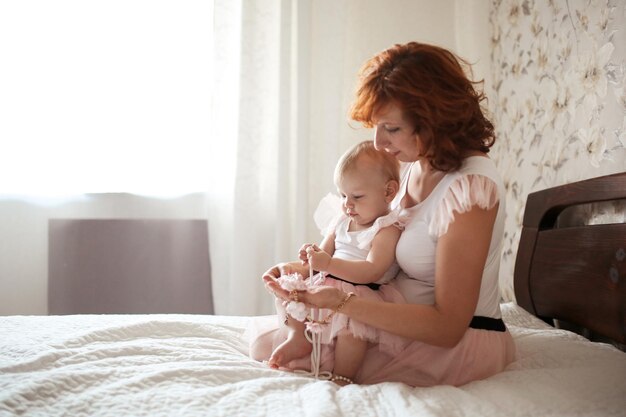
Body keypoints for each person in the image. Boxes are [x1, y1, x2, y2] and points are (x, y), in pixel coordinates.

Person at [250, 41, 516, 387]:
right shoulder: (417, 166)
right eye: (377, 127)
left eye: (391, 128)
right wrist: (305, 269)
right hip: (394, 324)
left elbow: (449, 327)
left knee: (304, 357)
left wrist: (343, 303)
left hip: (451, 346)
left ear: (435, 120)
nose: (378, 142)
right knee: (271, 342)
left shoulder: (471, 188)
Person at [268, 140, 407, 385]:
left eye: (356, 196)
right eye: (343, 195)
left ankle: (344, 375)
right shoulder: (341, 221)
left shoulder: (386, 229)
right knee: (289, 291)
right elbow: (321, 256)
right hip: (325, 283)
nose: (347, 204)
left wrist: (328, 264)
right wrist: (301, 262)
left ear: (389, 192)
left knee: (353, 332)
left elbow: (372, 270)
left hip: (360, 294)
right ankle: (297, 337)